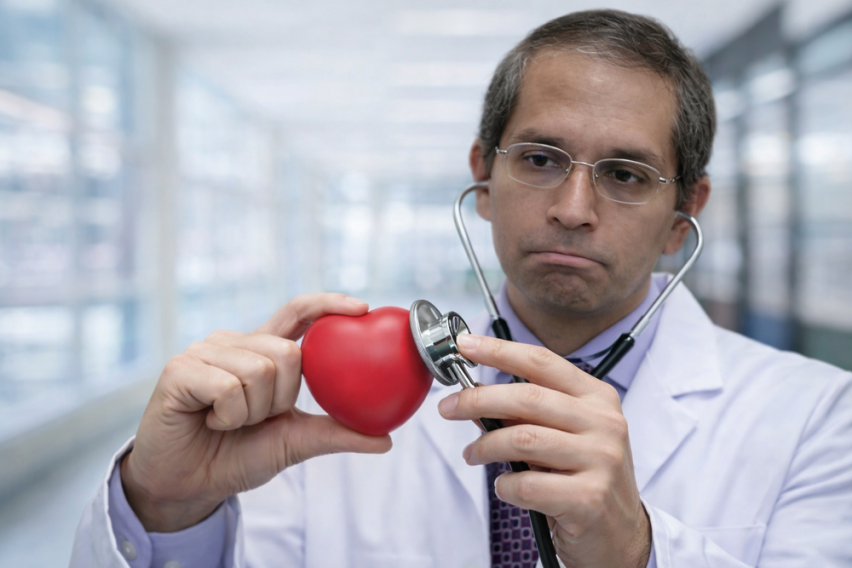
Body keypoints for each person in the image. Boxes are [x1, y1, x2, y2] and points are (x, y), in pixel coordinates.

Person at [71, 9, 852, 568]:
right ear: (483, 175)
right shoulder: (324, 409)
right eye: (540, 159)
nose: (572, 209)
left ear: (684, 216)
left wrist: (637, 553)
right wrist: (166, 508)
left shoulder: (820, 420)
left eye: (624, 175)